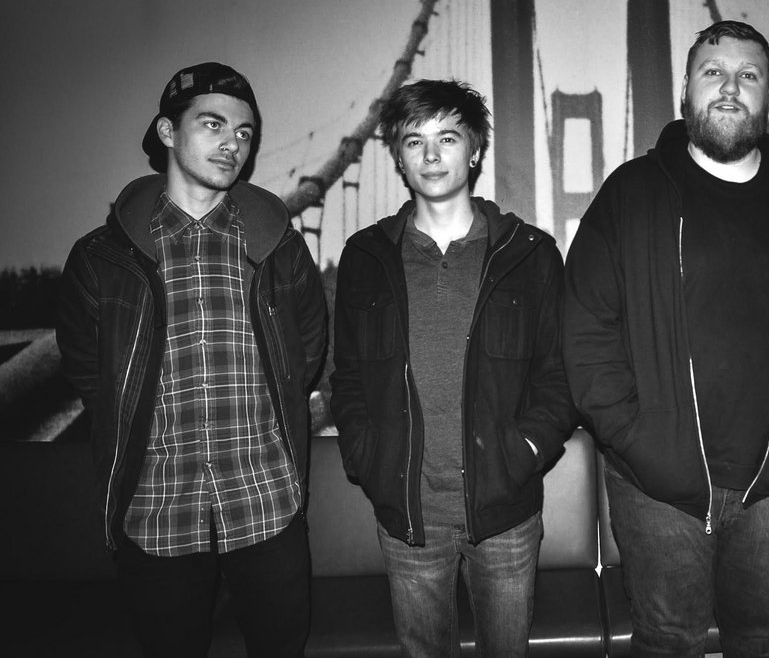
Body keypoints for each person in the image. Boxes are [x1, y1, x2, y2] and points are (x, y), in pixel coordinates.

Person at [563, 21, 769, 657]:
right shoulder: (630, 194)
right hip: (655, 484)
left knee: (764, 641)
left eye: (748, 75)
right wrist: (636, 439)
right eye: (713, 72)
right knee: (668, 642)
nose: (730, 87)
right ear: (686, 89)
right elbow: (586, 327)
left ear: (767, 93)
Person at [56, 62, 328, 658]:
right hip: (157, 511)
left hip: (266, 503)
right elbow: (89, 369)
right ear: (167, 131)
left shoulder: (282, 249)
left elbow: (306, 350)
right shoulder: (100, 258)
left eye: (245, 132)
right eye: (213, 124)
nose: (233, 143)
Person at [329, 79, 576, 657]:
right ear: (398, 157)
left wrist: (524, 453)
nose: (432, 155)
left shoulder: (531, 254)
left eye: (448, 138)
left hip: (505, 513)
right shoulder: (365, 257)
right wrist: (367, 457)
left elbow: (560, 377)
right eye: (414, 141)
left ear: (476, 150)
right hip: (407, 516)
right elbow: (348, 379)